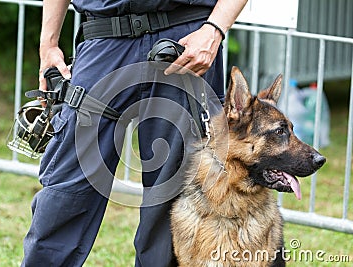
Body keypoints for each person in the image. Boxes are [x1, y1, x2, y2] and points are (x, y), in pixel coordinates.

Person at [22, 0, 248, 266]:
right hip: (104, 39)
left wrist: (215, 29)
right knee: (64, 192)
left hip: (185, 42)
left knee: (174, 205)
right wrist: (48, 45)